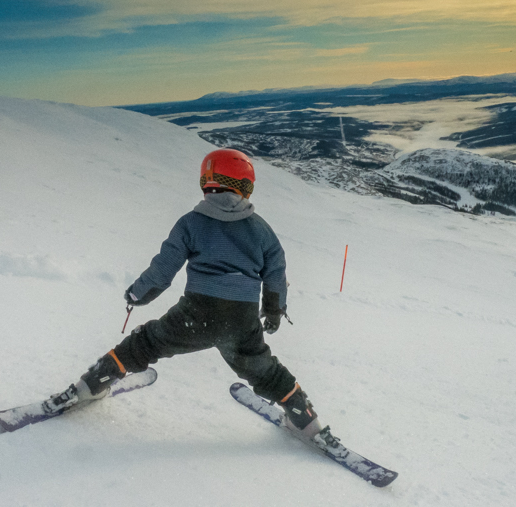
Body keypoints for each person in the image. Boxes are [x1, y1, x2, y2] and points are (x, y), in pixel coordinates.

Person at [46, 148, 322, 437]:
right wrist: (274, 311)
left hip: (195, 315)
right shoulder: (262, 230)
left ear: (207, 180)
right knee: (264, 370)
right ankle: (305, 419)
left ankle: (90, 385)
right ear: (246, 186)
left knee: (145, 343)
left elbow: (163, 271)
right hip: (241, 320)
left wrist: (137, 295)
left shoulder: (190, 223)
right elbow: (276, 273)